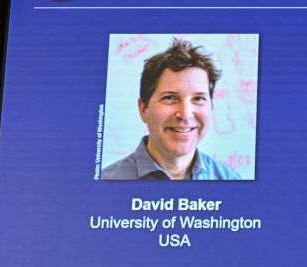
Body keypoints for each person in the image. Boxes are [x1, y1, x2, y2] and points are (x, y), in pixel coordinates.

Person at [101, 38, 241, 180]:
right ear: (143, 109)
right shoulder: (106, 184)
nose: (185, 115)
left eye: (198, 99)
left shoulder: (232, 181)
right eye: (170, 97)